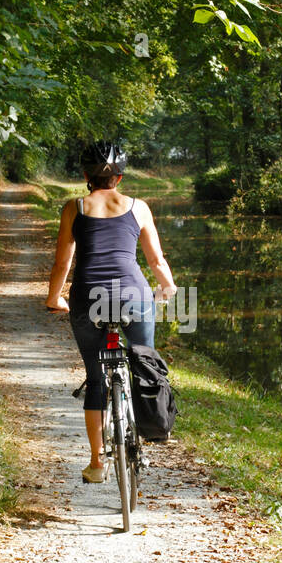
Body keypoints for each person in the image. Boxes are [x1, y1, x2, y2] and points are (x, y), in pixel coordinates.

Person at [45, 141, 177, 483]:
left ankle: (96, 463)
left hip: (88, 298)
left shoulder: (74, 207)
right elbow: (156, 261)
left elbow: (63, 262)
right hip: (134, 296)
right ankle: (148, 429)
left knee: (96, 375)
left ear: (86, 176)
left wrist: (54, 298)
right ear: (119, 178)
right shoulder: (139, 208)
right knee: (144, 361)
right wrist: (168, 288)